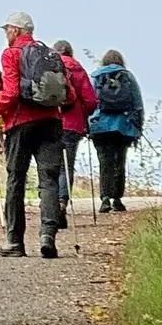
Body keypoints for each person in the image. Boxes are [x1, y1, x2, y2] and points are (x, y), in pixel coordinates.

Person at [0, 11, 67, 258]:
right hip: (51, 121)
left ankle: (14, 241)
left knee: (16, 180)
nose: (6, 34)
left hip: (20, 123)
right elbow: (70, 94)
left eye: (7, 29)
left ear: (16, 30)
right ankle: (48, 236)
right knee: (49, 179)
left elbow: (11, 93)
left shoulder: (11, 54)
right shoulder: (50, 54)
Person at [88, 49, 145, 212]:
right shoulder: (128, 77)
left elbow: (89, 101)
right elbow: (137, 103)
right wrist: (138, 127)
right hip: (123, 126)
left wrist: (88, 124)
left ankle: (105, 198)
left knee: (104, 161)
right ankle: (117, 199)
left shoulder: (96, 76)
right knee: (119, 161)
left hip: (100, 125)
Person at [50, 39, 98, 226]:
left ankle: (50, 206)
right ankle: (62, 202)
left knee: (50, 165)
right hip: (72, 125)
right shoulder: (78, 69)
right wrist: (83, 114)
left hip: (50, 122)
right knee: (66, 166)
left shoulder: (48, 67)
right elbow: (91, 100)